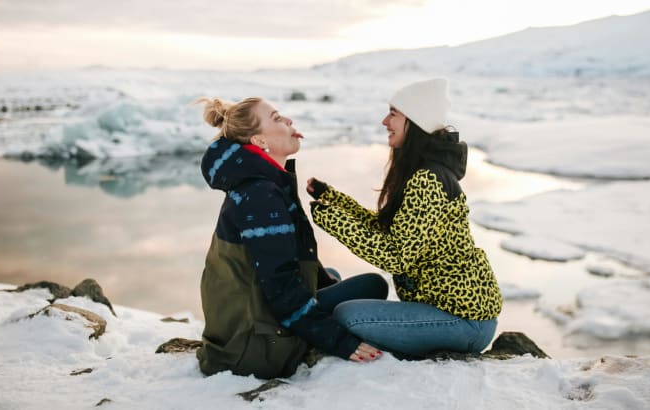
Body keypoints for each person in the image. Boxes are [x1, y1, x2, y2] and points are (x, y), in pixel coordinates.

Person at [307, 78, 503, 357]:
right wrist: (332, 199)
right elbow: (386, 229)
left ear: (415, 120)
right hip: (446, 310)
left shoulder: (428, 180)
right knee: (372, 285)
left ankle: (313, 329)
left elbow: (397, 257)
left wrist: (332, 220)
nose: (384, 121)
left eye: (393, 114)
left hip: (464, 321)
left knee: (348, 316)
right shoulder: (423, 172)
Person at [195, 96, 388, 379]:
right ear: (260, 141)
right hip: (255, 346)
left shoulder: (260, 184)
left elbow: (286, 260)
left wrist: (325, 286)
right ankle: (303, 335)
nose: (288, 121)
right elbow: (280, 285)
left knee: (329, 276)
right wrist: (339, 342)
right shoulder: (261, 195)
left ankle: (313, 313)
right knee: (373, 285)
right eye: (276, 118)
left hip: (243, 326)